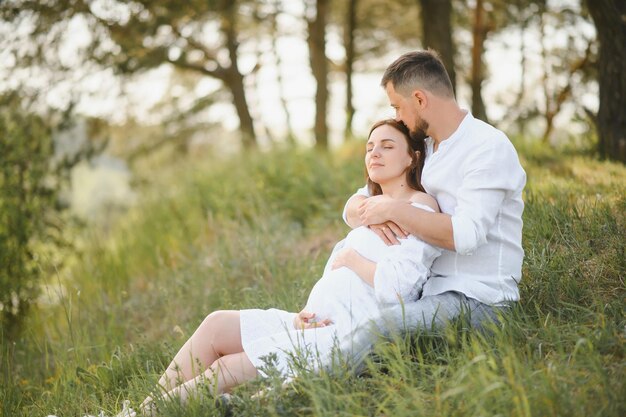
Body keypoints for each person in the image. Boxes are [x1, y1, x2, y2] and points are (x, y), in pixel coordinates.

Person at [132, 119, 442, 416]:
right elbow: (346, 242)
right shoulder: (369, 207)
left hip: (345, 338)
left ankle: (138, 415)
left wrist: (351, 259)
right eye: (370, 146)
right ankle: (138, 408)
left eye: (387, 146)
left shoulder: (420, 209)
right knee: (216, 325)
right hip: (311, 324)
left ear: (411, 158)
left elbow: (398, 288)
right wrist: (301, 317)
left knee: (224, 368)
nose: (374, 152)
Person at [336, 49, 526, 368]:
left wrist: (395, 211)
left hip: (478, 302)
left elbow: (466, 236)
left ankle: (291, 395)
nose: (397, 117)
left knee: (379, 329)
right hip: (425, 294)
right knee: (343, 320)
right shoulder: (423, 148)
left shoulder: (487, 147)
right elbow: (354, 204)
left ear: (420, 100)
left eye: (398, 106)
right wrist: (373, 210)